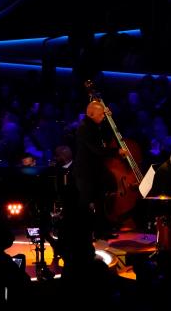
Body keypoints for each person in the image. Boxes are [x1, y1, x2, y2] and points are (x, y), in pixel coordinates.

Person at [74, 100, 125, 242]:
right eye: (101, 114)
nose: (103, 116)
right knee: (85, 203)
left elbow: (108, 137)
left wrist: (109, 119)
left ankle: (102, 231)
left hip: (96, 169)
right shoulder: (84, 128)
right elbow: (97, 150)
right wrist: (116, 152)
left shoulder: (97, 126)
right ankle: (83, 234)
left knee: (101, 201)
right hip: (85, 171)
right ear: (91, 114)